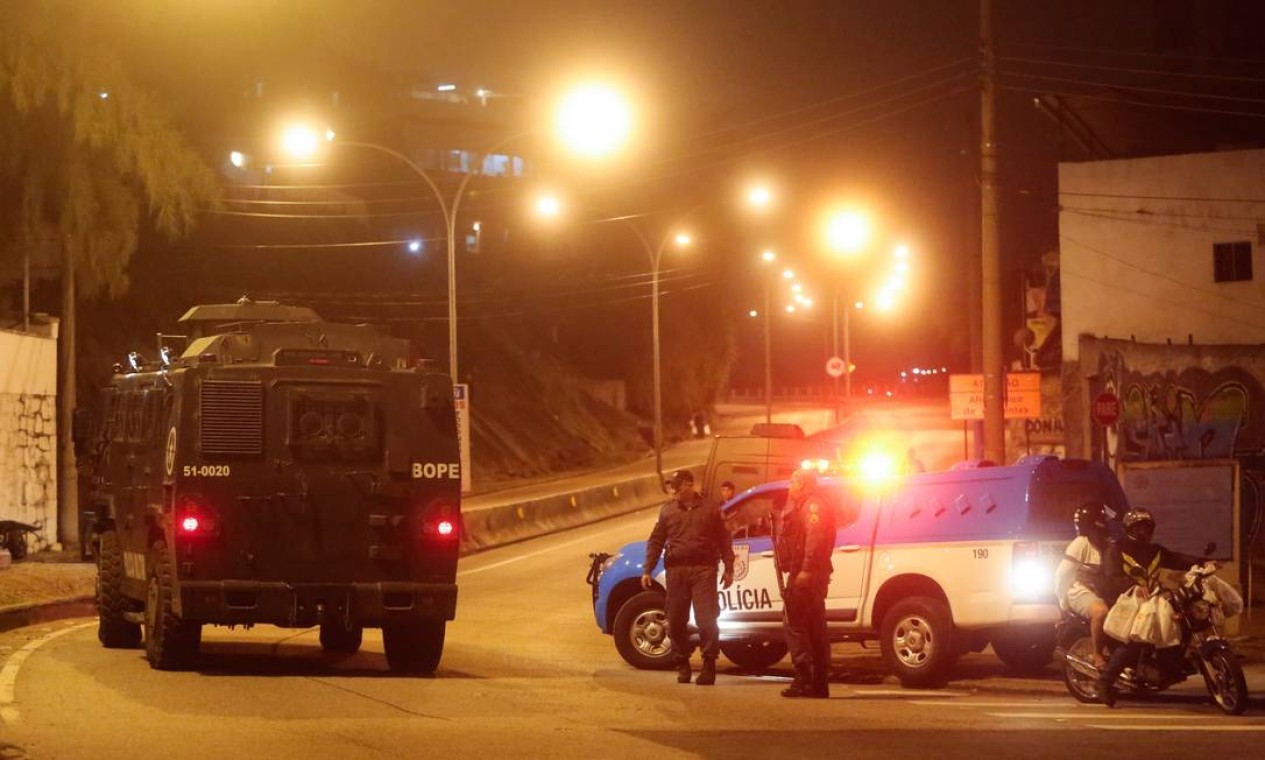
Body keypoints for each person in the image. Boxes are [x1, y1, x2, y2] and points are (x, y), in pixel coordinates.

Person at [1095, 507, 1204, 707]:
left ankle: (1169, 665)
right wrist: (1132, 587)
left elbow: (1177, 559)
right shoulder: (1117, 548)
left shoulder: (1155, 550)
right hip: (1123, 601)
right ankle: (1104, 683)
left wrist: (1201, 563)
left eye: (1146, 527)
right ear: (1129, 528)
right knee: (1135, 638)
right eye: (1138, 527)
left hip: (1150, 601)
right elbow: (1112, 575)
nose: (1143, 531)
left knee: (1177, 619)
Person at [642, 469, 735, 686]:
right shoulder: (667, 511)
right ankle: (681, 663)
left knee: (706, 619)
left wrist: (729, 568)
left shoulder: (711, 508)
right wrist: (647, 569)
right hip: (676, 572)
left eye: (676, 486)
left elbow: (724, 539)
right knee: (675, 619)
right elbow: (656, 541)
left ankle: (709, 665)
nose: (672, 490)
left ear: (688, 485)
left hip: (704, 570)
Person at [773, 468, 836, 698]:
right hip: (810, 573)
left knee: (796, 624)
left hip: (807, 574)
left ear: (804, 484)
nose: (789, 486)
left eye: (793, 481)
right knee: (814, 626)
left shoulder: (813, 506)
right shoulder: (805, 505)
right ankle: (819, 683)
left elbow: (814, 539)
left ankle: (804, 679)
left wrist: (806, 569)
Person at [1054, 503, 1113, 669]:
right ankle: (1097, 655)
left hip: (1100, 591)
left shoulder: (1106, 544)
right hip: (1079, 591)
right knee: (1100, 612)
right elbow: (1062, 575)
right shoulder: (1081, 544)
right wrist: (1062, 603)